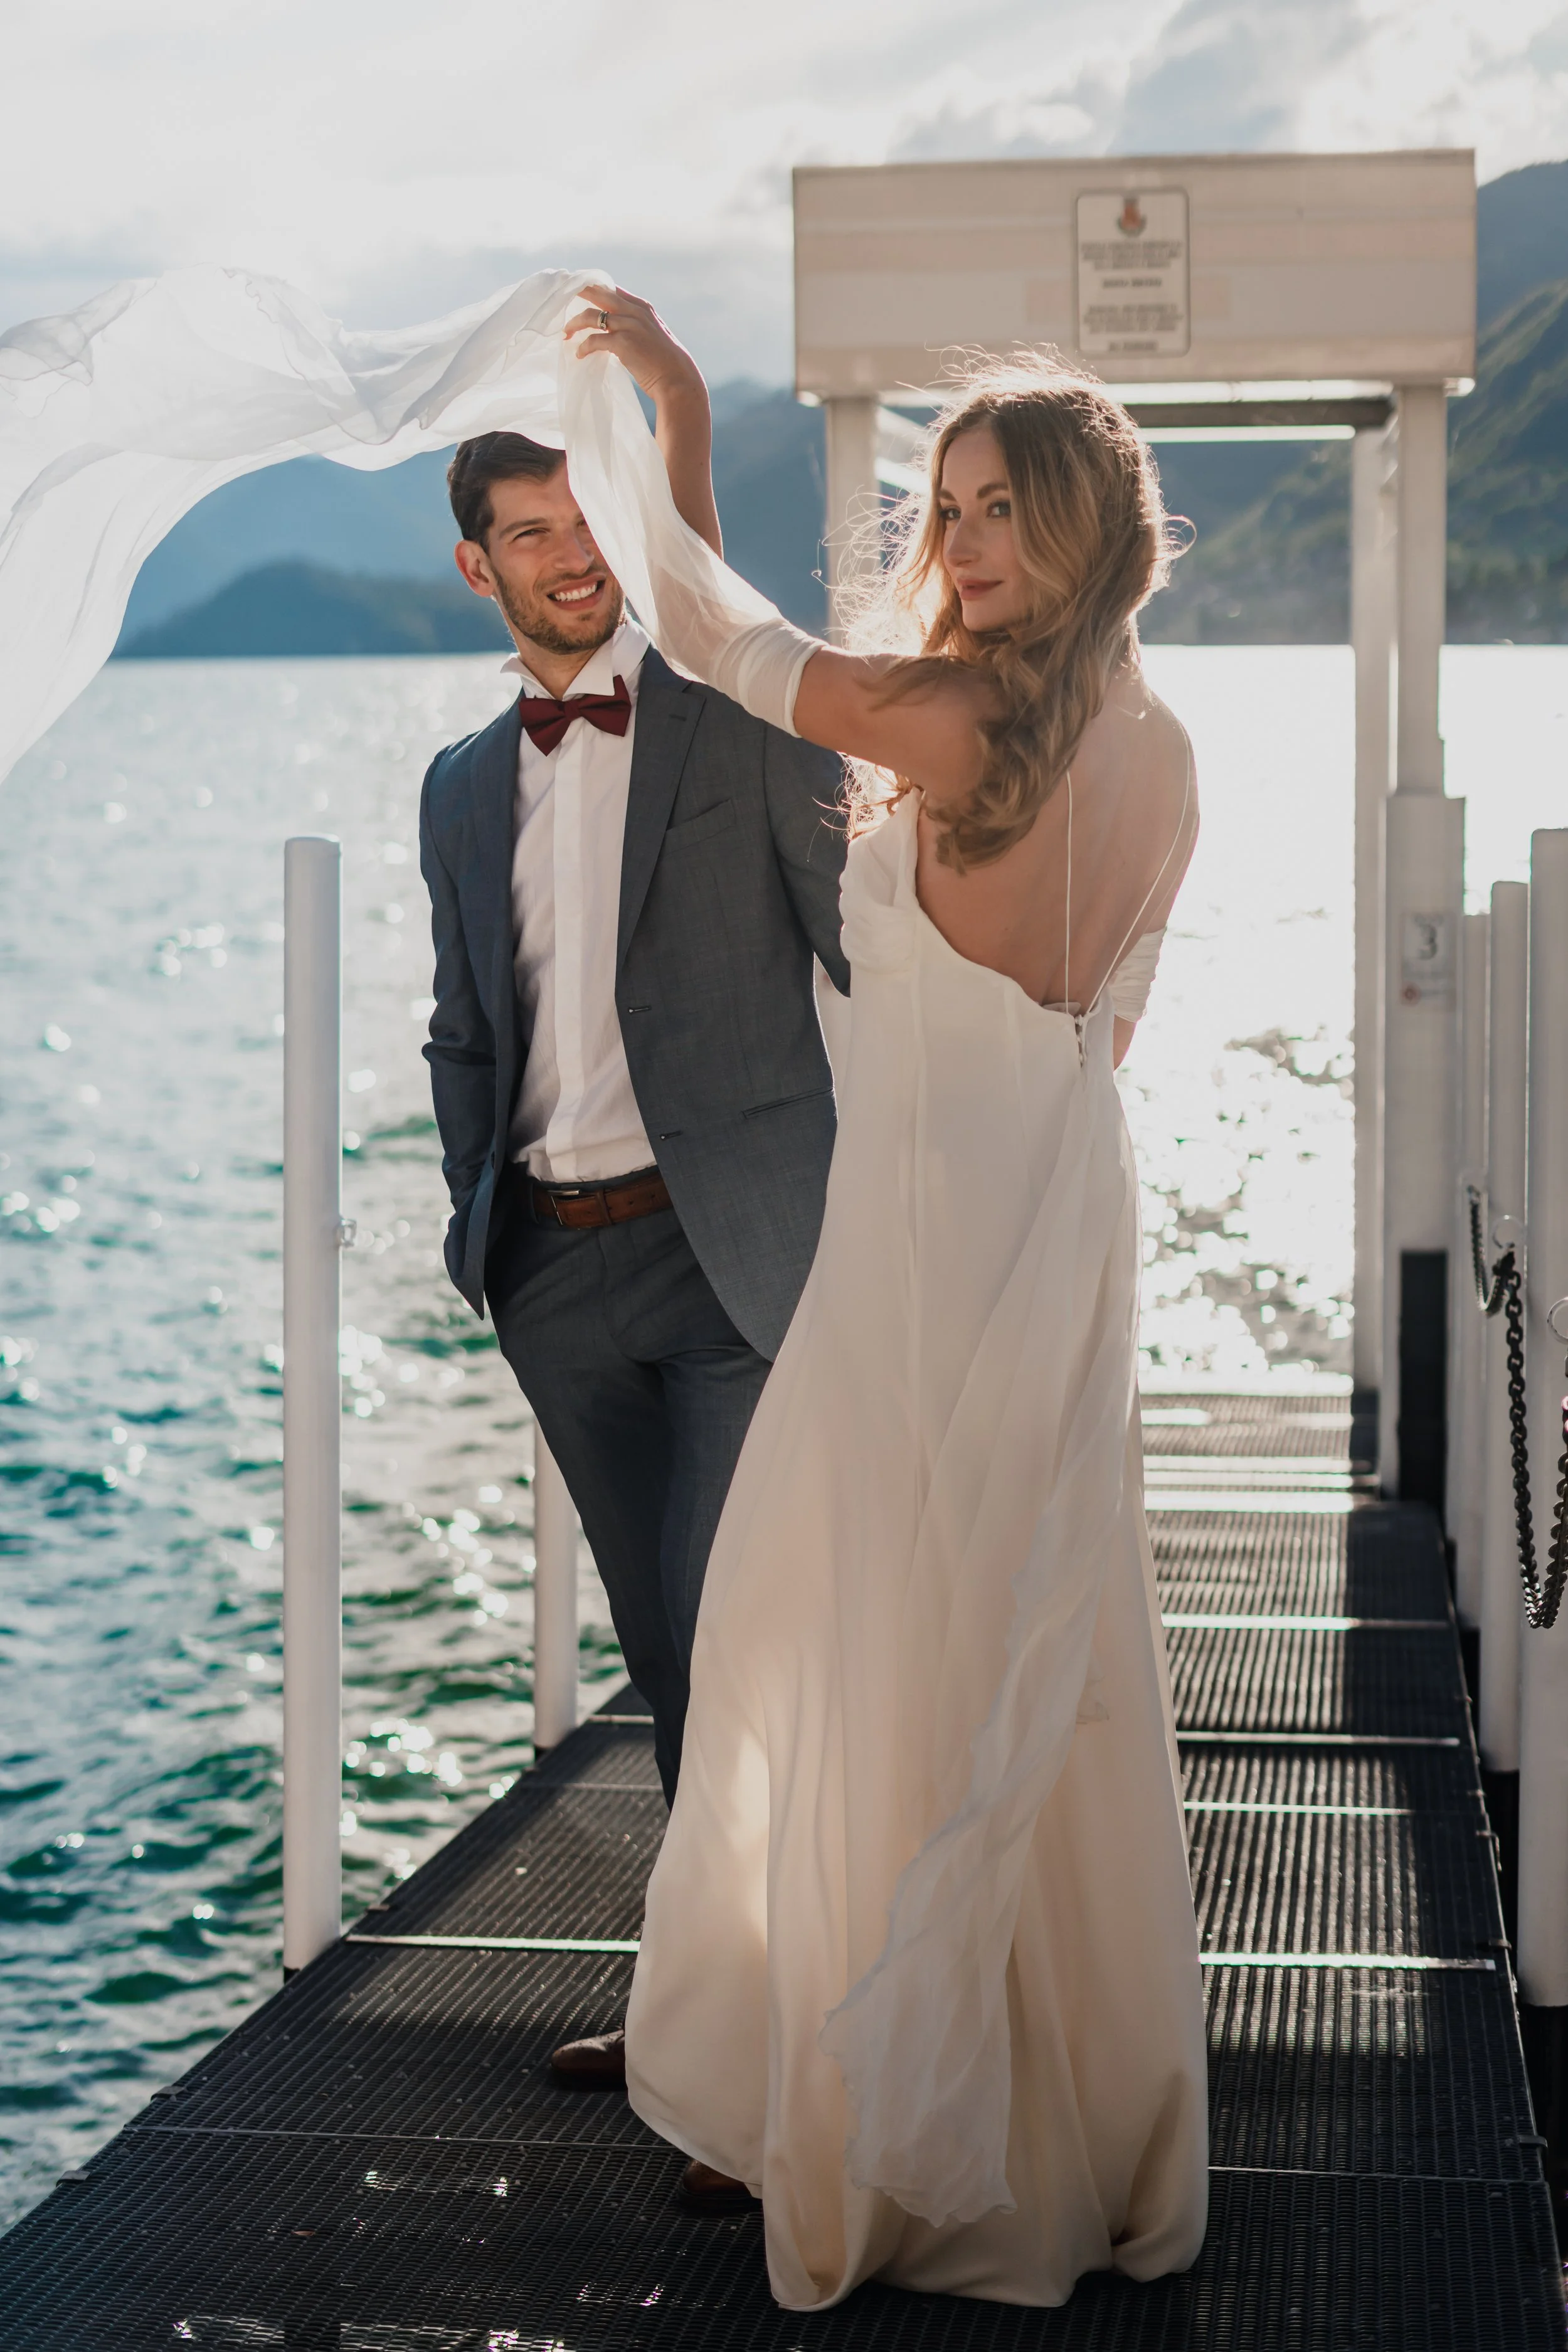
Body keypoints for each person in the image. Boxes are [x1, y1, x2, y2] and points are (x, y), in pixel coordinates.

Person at [564, 288, 1209, 2309]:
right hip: (1059, 1206)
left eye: (1005, 508)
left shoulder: (956, 720)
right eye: (952, 508)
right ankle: (1050, 2111)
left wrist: (672, 411)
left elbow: (695, 627)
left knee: (852, 1635)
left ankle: (886, 2109)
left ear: (1087, 520)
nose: (969, 544)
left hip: (933, 1229)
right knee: (1037, 1629)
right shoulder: (1166, 744)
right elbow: (1102, 1034)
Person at [416, 396, 849, 2099]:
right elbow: (466, 1024)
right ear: (479, 564)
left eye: (590, 516)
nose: (573, 553)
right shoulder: (460, 786)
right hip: (556, 1272)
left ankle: (768, 2044)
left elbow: (863, 950)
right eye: (531, 530)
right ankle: (706, 2006)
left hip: (730, 1256)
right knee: (665, 1652)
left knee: (731, 1632)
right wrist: (485, 1237)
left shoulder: (732, 723)